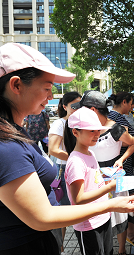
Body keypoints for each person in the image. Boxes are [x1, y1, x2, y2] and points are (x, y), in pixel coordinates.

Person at [0, 43, 134, 254]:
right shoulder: (1, 146)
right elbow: (42, 217)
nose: (51, 96)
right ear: (16, 85)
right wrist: (112, 205)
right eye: (46, 88)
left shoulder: (11, 133)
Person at [68, 90, 134, 255]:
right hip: (93, 177)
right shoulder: (80, 133)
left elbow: (133, 143)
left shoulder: (115, 128)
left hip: (112, 176)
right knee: (99, 219)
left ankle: (121, 250)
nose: (96, 134)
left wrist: (121, 160)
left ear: (92, 110)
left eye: (82, 108)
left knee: (119, 217)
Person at [63, 107, 118, 255]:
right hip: (88, 224)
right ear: (75, 132)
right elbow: (79, 199)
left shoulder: (90, 152)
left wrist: (106, 181)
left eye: (98, 130)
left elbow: (93, 182)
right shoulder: (75, 161)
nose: (96, 134)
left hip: (103, 216)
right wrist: (109, 188)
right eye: (91, 131)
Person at [108, 92, 134, 249]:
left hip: (123, 165)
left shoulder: (113, 117)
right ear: (124, 102)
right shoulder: (116, 118)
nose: (132, 107)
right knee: (130, 199)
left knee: (128, 199)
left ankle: (128, 237)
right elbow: (125, 143)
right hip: (123, 166)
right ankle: (130, 235)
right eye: (131, 104)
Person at [48, 91, 81, 252]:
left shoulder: (79, 123)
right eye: (74, 106)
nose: (77, 109)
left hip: (77, 168)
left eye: (80, 105)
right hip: (62, 171)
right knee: (62, 210)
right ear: (64, 106)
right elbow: (53, 149)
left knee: (76, 207)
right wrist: (75, 157)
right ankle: (59, 247)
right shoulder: (60, 124)